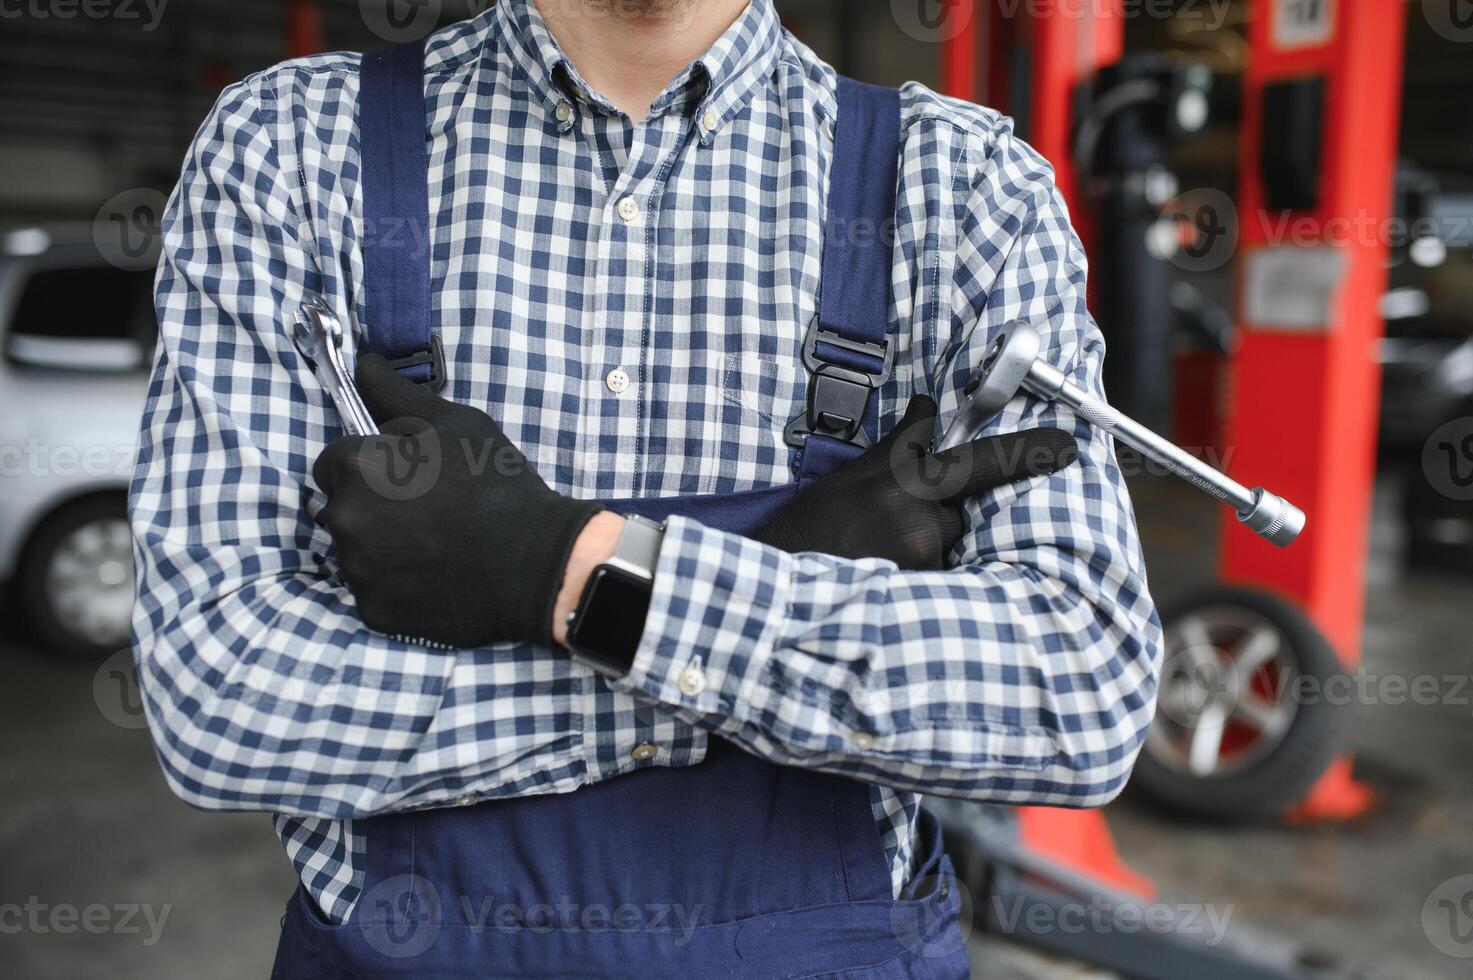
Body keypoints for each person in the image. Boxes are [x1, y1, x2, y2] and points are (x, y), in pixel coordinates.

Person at [130, 1, 1163, 975]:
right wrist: (758, 627)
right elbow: (218, 699)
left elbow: (1077, 690)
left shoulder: (965, 187)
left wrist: (556, 567)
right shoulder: (288, 150)